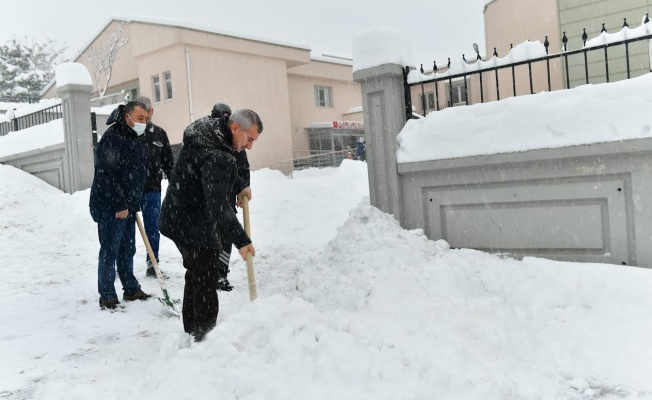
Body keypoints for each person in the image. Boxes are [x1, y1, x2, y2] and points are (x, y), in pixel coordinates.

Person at [159, 108, 262, 342]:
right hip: (189, 219)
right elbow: (217, 205)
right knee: (205, 271)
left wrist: (239, 185)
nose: (250, 146)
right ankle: (204, 337)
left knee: (198, 270)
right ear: (235, 128)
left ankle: (193, 329)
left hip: (180, 215)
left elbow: (217, 171)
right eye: (249, 139)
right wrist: (242, 240)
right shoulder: (217, 153)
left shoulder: (209, 134)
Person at [89, 101, 152, 310]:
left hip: (127, 205)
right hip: (110, 206)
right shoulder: (113, 138)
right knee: (110, 249)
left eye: (146, 119)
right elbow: (106, 175)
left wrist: (133, 202)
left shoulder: (133, 137)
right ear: (127, 116)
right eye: (140, 118)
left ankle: (131, 289)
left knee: (128, 248)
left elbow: (133, 173)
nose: (144, 122)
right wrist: (119, 203)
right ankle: (107, 295)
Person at [210, 103, 251, 293]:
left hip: (226, 197)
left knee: (226, 237)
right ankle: (211, 273)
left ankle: (221, 274)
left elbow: (242, 169)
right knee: (211, 238)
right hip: (210, 200)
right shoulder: (211, 141)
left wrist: (242, 189)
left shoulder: (237, 144)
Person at [134, 96, 175, 278]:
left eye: (147, 112)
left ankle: (153, 263)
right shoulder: (130, 133)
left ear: (151, 111)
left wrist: (176, 184)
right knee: (126, 231)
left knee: (152, 228)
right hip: (132, 190)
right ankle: (122, 265)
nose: (145, 117)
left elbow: (168, 164)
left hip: (152, 190)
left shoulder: (159, 134)